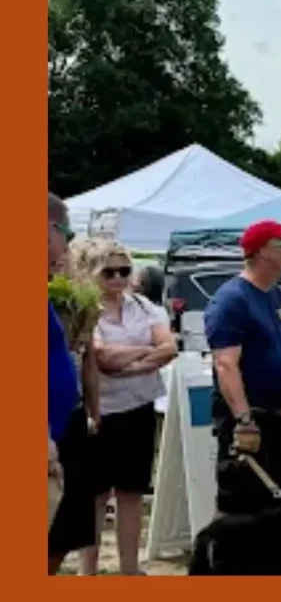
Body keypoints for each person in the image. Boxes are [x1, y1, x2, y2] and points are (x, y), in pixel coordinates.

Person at [80, 242, 177, 575]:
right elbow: (102, 357)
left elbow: (169, 347)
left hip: (139, 406)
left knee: (132, 492)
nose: (119, 278)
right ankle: (87, 571)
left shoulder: (145, 306)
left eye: (125, 270)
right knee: (95, 496)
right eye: (109, 272)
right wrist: (145, 350)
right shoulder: (86, 311)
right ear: (92, 274)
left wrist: (129, 361)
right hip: (100, 411)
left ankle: (129, 569)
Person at [204, 220, 281, 516]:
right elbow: (226, 364)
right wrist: (244, 419)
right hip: (251, 417)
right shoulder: (232, 299)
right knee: (243, 501)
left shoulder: (275, 294)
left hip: (280, 416)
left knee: (277, 497)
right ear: (263, 252)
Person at [47, 194, 99, 574]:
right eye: (67, 233)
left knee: (64, 533)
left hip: (66, 425)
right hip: (49, 434)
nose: (67, 245)